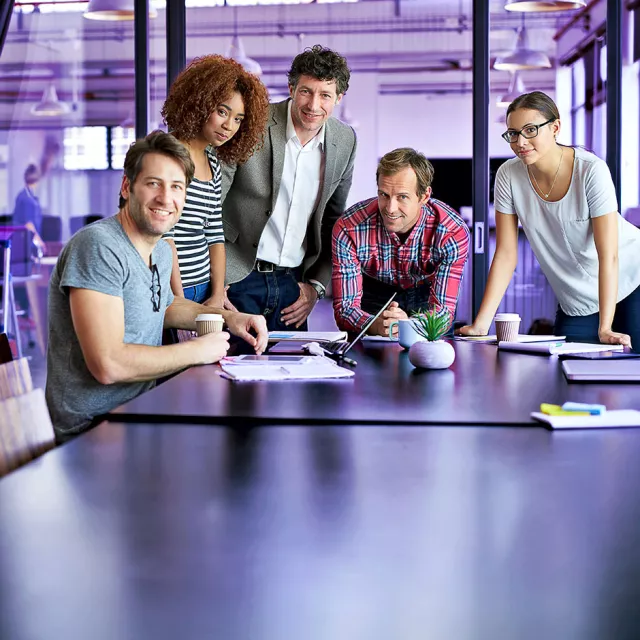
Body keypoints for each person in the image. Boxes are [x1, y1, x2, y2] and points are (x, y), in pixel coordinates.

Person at [46, 131, 268, 443]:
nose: (166, 198)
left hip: (142, 411)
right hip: (90, 429)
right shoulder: (98, 246)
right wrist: (196, 351)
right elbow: (107, 364)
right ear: (127, 187)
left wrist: (228, 318)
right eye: (153, 183)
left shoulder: (161, 249)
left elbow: (164, 304)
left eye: (177, 187)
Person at [458, 91, 640, 348]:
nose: (520, 141)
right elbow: (506, 254)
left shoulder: (590, 170)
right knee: (566, 370)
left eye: (530, 130)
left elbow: (608, 255)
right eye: (513, 133)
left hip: (632, 277)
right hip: (576, 298)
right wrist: (481, 324)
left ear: (555, 127)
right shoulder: (508, 176)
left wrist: (605, 327)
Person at [220, 45, 357, 331]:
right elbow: (211, 203)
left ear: (339, 98)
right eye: (306, 91)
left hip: (293, 287)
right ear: (291, 87)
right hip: (236, 277)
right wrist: (214, 280)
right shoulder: (253, 122)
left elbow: (333, 220)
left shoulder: (345, 141)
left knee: (292, 373)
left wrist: (316, 287)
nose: (313, 105)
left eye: (325, 95)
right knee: (228, 373)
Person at [161, 55, 269, 308]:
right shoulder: (168, 154)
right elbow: (166, 237)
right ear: (200, 103)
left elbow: (214, 232)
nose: (229, 126)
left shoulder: (212, 159)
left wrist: (218, 293)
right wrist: (178, 301)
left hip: (205, 289)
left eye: (238, 119)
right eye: (222, 112)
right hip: (172, 289)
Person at [332, 148, 470, 336]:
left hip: (426, 295)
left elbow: (443, 313)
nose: (390, 208)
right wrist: (375, 325)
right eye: (384, 195)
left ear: (424, 196)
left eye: (402, 197)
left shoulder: (452, 231)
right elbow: (345, 309)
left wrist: (408, 326)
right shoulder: (349, 227)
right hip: (372, 297)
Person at [13, 163, 46, 255]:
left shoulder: (23, 195)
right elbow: (29, 225)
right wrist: (40, 242)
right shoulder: (28, 199)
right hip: (25, 242)